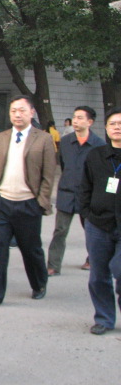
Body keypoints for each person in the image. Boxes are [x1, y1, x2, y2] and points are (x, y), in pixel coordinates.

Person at [0, 95, 56, 308]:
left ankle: (39, 283)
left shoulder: (44, 139)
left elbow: (48, 176)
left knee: (31, 249)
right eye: (13, 111)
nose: (17, 115)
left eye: (22, 110)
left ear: (31, 112)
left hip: (28, 203)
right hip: (2, 203)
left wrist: (40, 202)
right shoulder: (0, 138)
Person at [47, 106, 105, 276]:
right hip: (67, 193)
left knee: (92, 231)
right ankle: (53, 265)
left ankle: (92, 259)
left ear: (90, 122)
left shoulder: (99, 145)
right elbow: (63, 164)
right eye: (74, 117)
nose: (76, 121)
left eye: (80, 118)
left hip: (88, 195)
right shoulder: (65, 142)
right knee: (60, 231)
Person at [80, 107, 121, 335]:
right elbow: (85, 186)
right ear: (106, 128)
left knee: (119, 269)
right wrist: (87, 213)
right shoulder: (95, 155)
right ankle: (104, 318)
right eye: (113, 123)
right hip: (98, 224)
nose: (117, 127)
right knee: (98, 275)